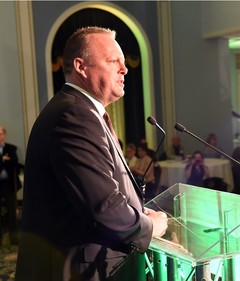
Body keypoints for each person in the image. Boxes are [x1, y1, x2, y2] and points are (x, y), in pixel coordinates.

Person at [15, 27, 168, 281]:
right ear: (81, 67)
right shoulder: (73, 116)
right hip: (82, 270)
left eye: (123, 61)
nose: (124, 69)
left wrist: (140, 214)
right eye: (113, 61)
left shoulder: (80, 111)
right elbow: (104, 207)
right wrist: (150, 226)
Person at [0, 125, 21, 245]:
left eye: (0, 134)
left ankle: (14, 238)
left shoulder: (11, 149)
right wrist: (3, 159)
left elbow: (15, 164)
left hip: (9, 185)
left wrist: (4, 160)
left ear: (4, 135)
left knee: (12, 212)